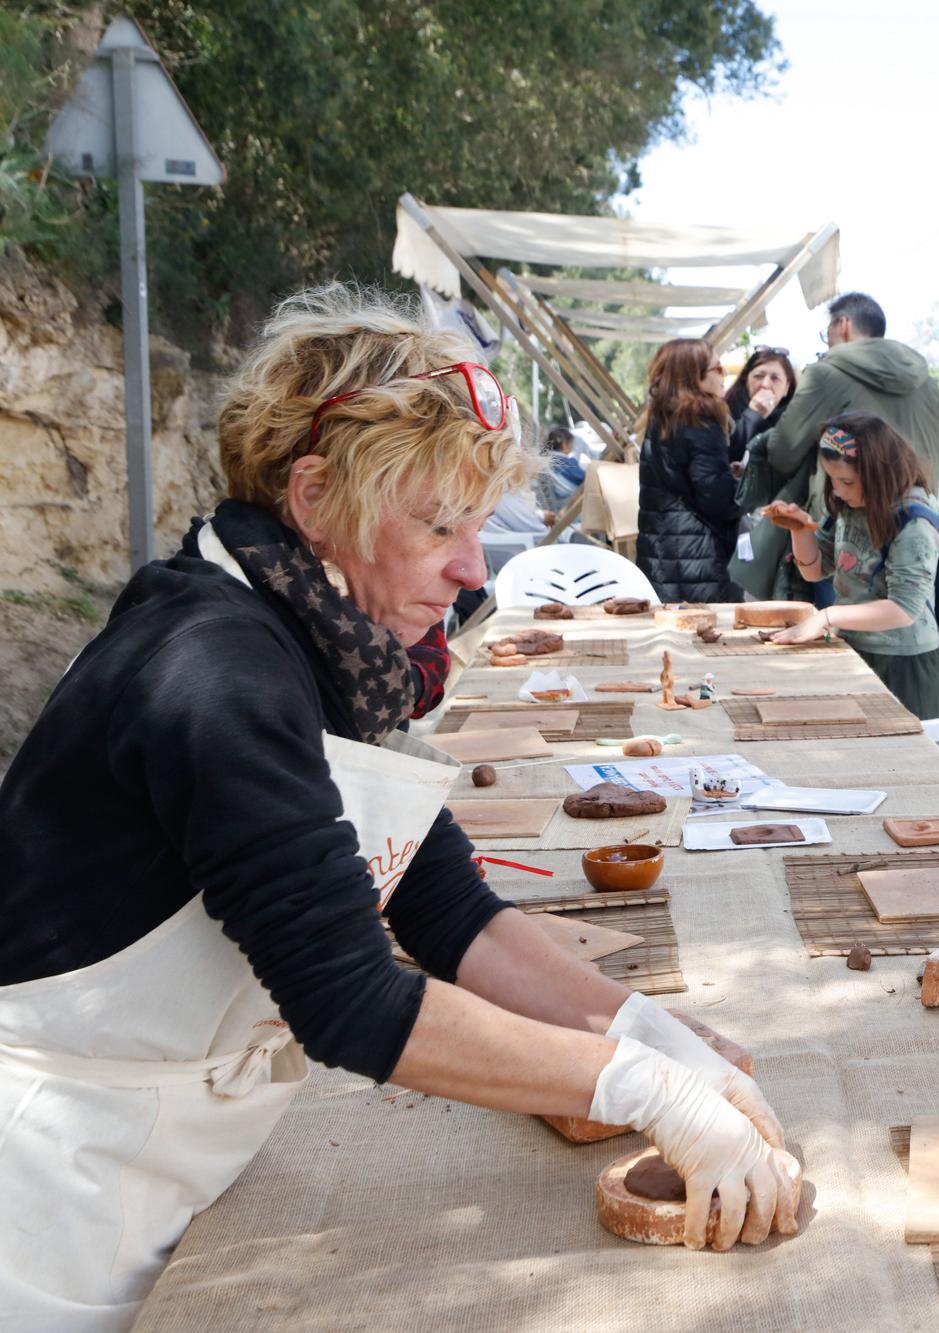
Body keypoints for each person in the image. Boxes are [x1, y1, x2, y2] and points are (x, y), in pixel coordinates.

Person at [0, 285, 798, 1325]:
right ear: (315, 493)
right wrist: (639, 1089)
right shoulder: (216, 668)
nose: (472, 572)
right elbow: (351, 1002)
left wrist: (645, 1027)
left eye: (477, 527)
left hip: (166, 1144)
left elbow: (450, 913)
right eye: (438, 527)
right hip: (56, 1184)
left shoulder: (326, 640)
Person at [732, 292, 939, 602]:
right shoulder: (928, 383)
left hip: (844, 535)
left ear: (843, 325)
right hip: (916, 525)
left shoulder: (826, 374)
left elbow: (783, 451)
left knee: (840, 638)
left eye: (827, 332)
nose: (828, 341)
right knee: (905, 624)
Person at [761, 411, 939, 719]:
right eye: (831, 478)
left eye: (846, 481)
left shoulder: (914, 524)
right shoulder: (848, 506)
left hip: (902, 665)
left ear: (879, 474)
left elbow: (903, 609)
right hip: (855, 650)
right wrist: (799, 528)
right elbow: (815, 570)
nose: (837, 490)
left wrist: (827, 616)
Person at [636, 338, 738, 604]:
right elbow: (717, 498)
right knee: (705, 639)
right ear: (695, 375)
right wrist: (741, 484)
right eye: (717, 368)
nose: (723, 374)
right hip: (696, 558)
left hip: (661, 551)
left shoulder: (663, 416)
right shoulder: (700, 416)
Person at [724, 345, 797, 469]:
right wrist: (754, 415)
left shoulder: (795, 421)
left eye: (775, 378)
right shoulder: (724, 411)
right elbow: (726, 455)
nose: (765, 384)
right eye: (758, 376)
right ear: (745, 380)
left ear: (786, 388)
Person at [539, 423, 585, 508]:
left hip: (555, 503)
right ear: (564, 445)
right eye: (571, 444)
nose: (572, 447)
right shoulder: (564, 462)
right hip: (569, 504)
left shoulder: (548, 458)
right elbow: (585, 478)